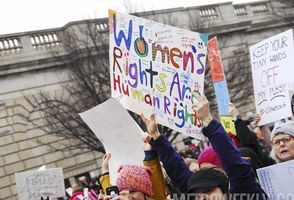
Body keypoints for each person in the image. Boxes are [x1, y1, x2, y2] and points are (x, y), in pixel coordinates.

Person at [141, 96, 268, 199]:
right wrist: (157, 137)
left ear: (224, 190)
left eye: (209, 191)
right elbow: (179, 173)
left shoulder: (245, 192)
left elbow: (234, 164)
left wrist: (208, 120)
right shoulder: (195, 189)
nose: (203, 198)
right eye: (197, 195)